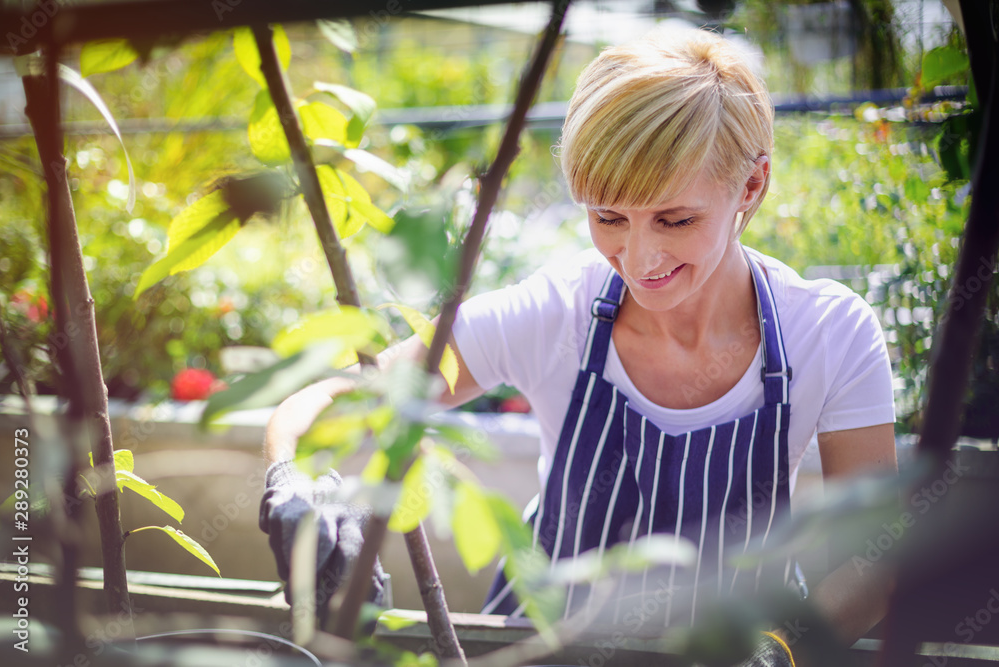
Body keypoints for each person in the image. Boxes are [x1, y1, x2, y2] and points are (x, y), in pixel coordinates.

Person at [259, 26, 897, 665]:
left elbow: (873, 563)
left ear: (751, 189)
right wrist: (290, 481)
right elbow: (342, 394)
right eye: (608, 217)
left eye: (675, 220)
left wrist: (778, 653)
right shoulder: (555, 314)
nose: (640, 259)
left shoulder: (830, 334)